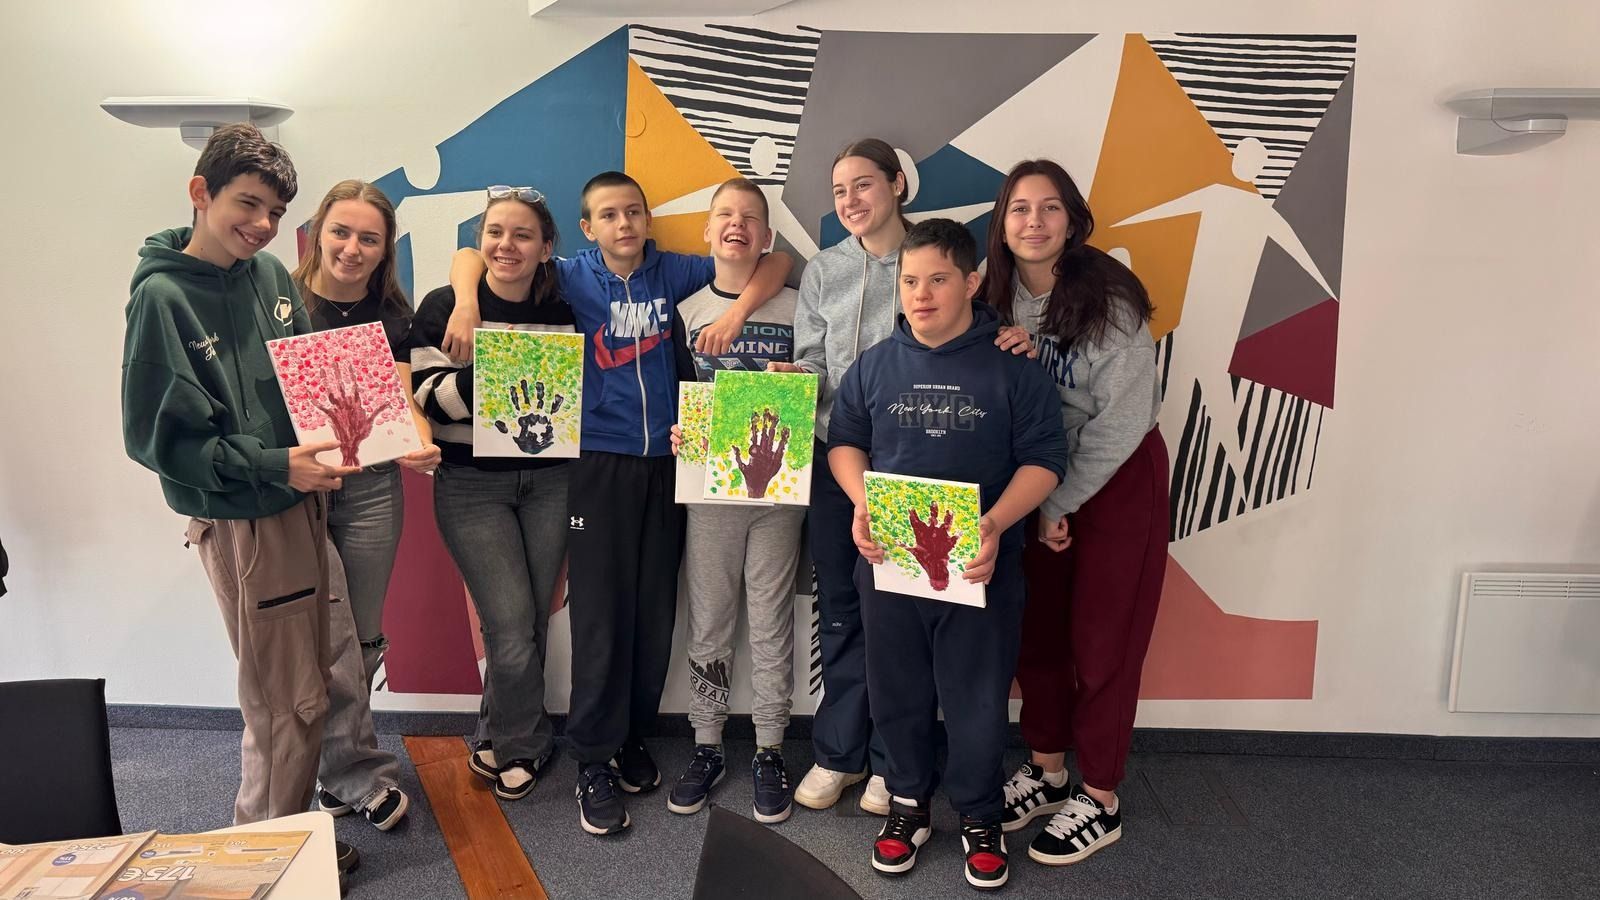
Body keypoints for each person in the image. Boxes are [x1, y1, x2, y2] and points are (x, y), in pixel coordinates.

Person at [120, 123, 362, 878]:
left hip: (300, 501)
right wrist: (276, 466)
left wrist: (375, 437)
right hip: (246, 518)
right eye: (248, 204)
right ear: (201, 193)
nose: (262, 225)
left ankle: (282, 834)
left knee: (318, 678)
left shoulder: (268, 277)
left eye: (276, 213)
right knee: (286, 698)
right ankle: (267, 854)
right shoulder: (162, 298)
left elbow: (309, 379)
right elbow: (158, 441)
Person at [770, 138, 1033, 815]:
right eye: (839, 191)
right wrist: (794, 380)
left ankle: (895, 767)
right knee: (844, 610)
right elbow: (814, 365)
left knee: (914, 627)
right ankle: (839, 752)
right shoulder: (825, 270)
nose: (850, 200)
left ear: (896, 185)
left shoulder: (934, 255)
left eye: (863, 184)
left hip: (925, 473)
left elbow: (978, 334)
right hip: (843, 460)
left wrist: (1014, 337)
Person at [827, 218, 1067, 890]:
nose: (921, 294)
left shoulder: (1013, 367)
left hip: (981, 569)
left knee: (977, 699)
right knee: (896, 691)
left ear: (972, 282)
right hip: (889, 565)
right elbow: (845, 442)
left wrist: (994, 523)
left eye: (937, 279)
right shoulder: (874, 365)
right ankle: (908, 802)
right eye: (910, 281)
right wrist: (862, 503)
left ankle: (980, 814)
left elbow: (1046, 460)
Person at [983, 160, 1169, 867]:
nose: (1034, 221)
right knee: (1039, 635)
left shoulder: (1109, 299)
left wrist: (1056, 502)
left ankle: (1101, 795)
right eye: (1020, 208)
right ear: (1002, 223)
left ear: (1072, 220)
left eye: (1050, 207)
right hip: (1037, 480)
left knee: (1103, 641)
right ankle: (1048, 770)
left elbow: (1124, 420)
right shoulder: (991, 296)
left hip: (1115, 479)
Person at [409, 186, 575, 802]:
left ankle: (497, 732)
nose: (507, 245)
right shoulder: (445, 305)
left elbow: (571, 395)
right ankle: (524, 744)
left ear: (546, 248)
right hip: (472, 485)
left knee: (529, 619)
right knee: (507, 622)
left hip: (551, 480)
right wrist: (502, 369)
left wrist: (514, 371)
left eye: (523, 234)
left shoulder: (563, 306)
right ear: (479, 241)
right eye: (495, 232)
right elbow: (427, 398)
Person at [289, 179, 441, 830]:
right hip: (299, 494)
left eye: (369, 239)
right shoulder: (280, 305)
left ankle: (337, 771)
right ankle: (353, 772)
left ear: (385, 250)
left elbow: (401, 403)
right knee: (326, 639)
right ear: (318, 232)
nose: (352, 248)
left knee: (365, 636)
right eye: (341, 232)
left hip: (374, 487)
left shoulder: (393, 318)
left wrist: (421, 440)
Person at [663, 177, 805, 824]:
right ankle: (707, 743)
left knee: (771, 619)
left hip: (779, 492)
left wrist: (801, 379)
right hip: (710, 490)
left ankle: (770, 747)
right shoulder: (688, 311)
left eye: (750, 217)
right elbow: (680, 394)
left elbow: (819, 382)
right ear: (707, 229)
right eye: (724, 214)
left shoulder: (799, 306)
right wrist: (681, 429)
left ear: (767, 235)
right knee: (711, 618)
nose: (737, 225)